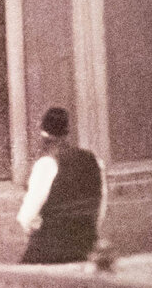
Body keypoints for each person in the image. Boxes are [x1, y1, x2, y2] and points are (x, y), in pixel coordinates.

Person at [18, 107, 104, 264]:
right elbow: (100, 206)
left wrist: (35, 231)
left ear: (43, 134)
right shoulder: (94, 161)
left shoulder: (46, 164)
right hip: (85, 243)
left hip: (52, 247)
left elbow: (27, 216)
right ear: (67, 132)